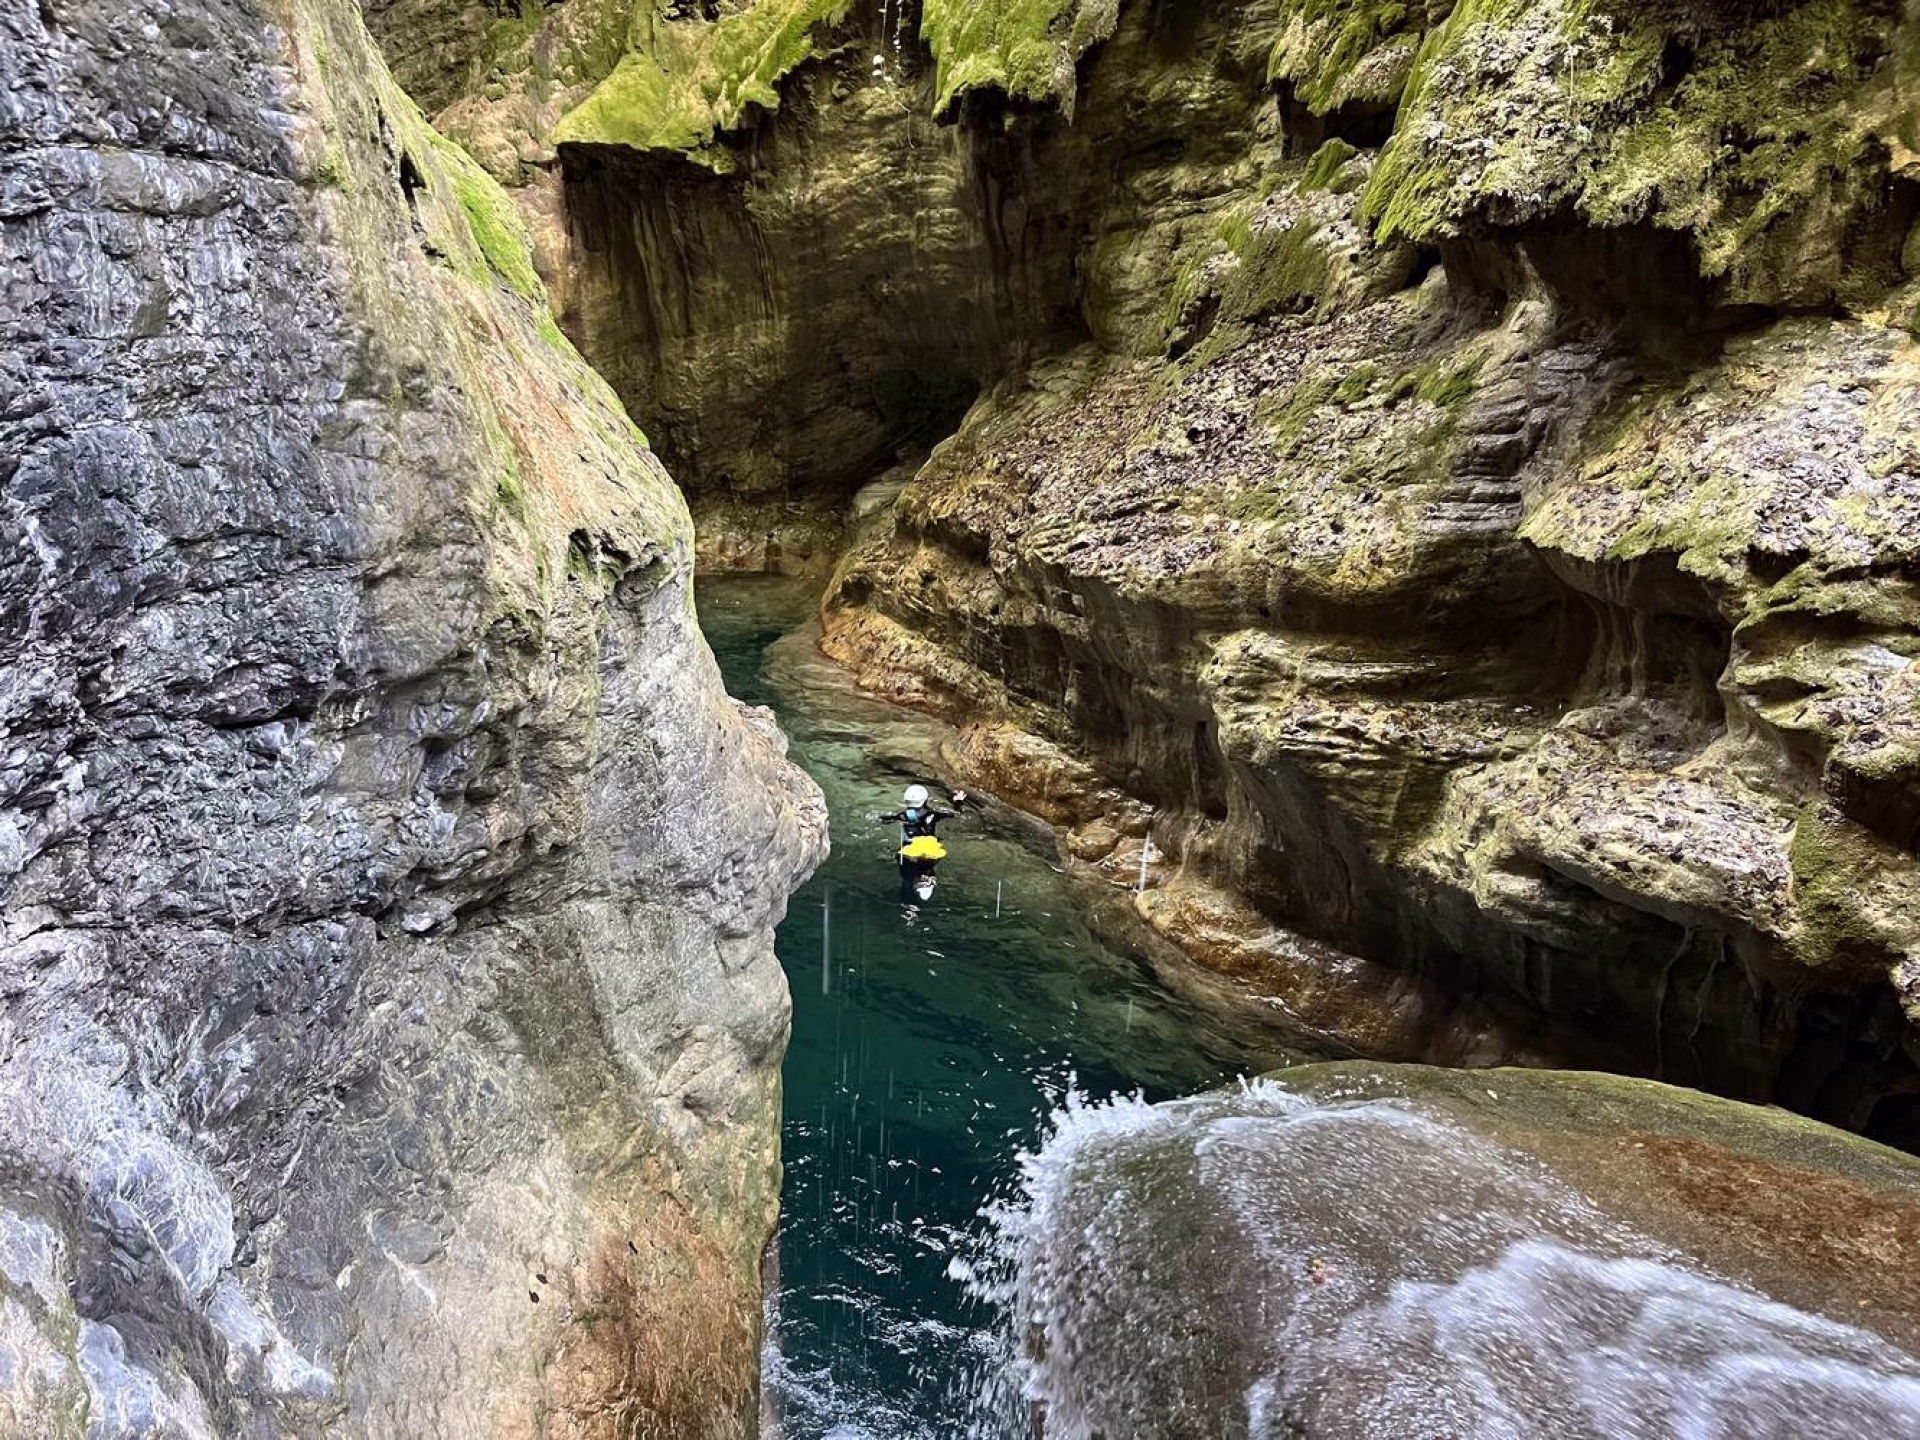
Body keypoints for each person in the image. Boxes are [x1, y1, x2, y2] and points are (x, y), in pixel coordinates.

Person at [878, 784, 968, 901]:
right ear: (925, 800)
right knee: (926, 866)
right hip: (929, 851)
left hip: (909, 852)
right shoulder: (932, 814)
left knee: (907, 877)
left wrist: (880, 818)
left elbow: (886, 819)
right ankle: (927, 878)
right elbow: (955, 814)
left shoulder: (903, 816)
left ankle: (909, 904)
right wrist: (957, 802)